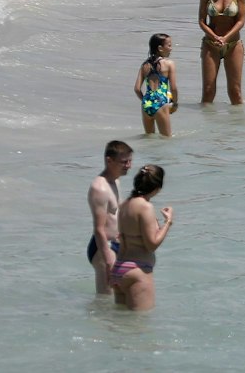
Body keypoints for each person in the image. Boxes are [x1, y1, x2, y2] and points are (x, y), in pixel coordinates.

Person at [111, 164, 172, 311]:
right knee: (139, 327)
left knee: (120, 324)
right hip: (137, 271)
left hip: (118, 269)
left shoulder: (125, 205)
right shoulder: (145, 207)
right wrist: (168, 223)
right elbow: (151, 244)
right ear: (158, 187)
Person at [198, 0, 245, 104]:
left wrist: (226, 38)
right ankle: (207, 126)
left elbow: (241, 20)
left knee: (235, 92)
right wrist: (215, 38)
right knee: (208, 90)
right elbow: (201, 21)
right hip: (211, 44)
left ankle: (237, 126)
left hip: (233, 44)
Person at [87, 140, 133, 295]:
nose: (128, 165)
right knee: (105, 301)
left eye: (130, 161)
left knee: (120, 299)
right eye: (124, 162)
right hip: (104, 248)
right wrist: (108, 260)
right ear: (109, 160)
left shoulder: (115, 181)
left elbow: (116, 212)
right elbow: (99, 228)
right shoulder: (99, 188)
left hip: (116, 244)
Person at [135, 33, 177, 137]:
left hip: (146, 104)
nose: (171, 48)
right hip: (161, 103)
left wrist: (147, 100)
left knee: (149, 139)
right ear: (160, 48)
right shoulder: (169, 64)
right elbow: (174, 88)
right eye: (169, 45)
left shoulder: (145, 65)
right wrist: (175, 103)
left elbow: (136, 89)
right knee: (167, 140)